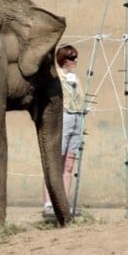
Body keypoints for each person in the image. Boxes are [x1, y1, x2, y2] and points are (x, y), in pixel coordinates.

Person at [43, 44, 85, 217]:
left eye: (75, 57)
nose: (75, 61)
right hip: (63, 117)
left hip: (77, 117)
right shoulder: (57, 76)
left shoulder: (75, 78)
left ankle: (64, 203)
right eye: (71, 57)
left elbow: (79, 98)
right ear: (62, 59)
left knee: (69, 163)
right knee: (55, 162)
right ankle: (48, 203)